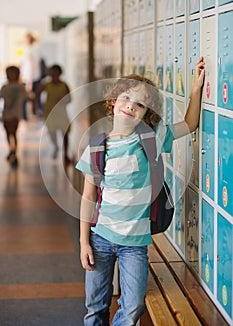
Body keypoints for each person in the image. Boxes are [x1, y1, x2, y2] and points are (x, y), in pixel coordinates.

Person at [76, 57, 205, 325]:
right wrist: (83, 242)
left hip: (134, 244)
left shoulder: (152, 137)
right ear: (113, 100)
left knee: (133, 306)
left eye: (140, 105)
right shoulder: (98, 147)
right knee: (95, 306)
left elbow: (190, 125)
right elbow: (88, 196)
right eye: (126, 98)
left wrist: (196, 88)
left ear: (146, 113)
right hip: (99, 238)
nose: (131, 106)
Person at [35, 64, 71, 164]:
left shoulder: (64, 85)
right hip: (50, 112)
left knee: (65, 133)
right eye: (52, 72)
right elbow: (37, 95)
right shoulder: (46, 84)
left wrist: (62, 100)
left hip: (61, 112)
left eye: (55, 72)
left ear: (60, 73)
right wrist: (36, 108)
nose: (53, 74)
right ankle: (55, 146)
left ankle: (66, 154)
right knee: (52, 132)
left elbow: (69, 99)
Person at [0, 66, 28, 167]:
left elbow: (27, 97)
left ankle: (14, 151)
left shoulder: (20, 87)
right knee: (8, 133)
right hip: (6, 113)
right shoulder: (5, 87)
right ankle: (11, 149)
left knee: (14, 133)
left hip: (15, 114)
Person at [20, 32, 43, 119]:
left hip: (30, 78)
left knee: (25, 98)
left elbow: (31, 66)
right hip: (35, 77)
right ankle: (39, 113)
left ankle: (24, 116)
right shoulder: (35, 49)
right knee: (37, 98)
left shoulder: (30, 50)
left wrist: (29, 81)